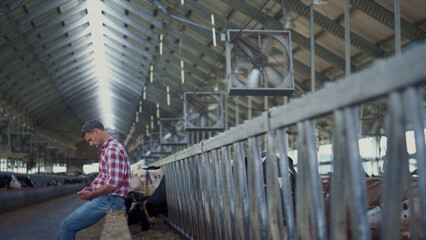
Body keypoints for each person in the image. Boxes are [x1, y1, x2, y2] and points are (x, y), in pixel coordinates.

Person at [57, 120, 131, 240]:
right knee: (67, 225)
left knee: (67, 225)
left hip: (109, 199)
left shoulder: (112, 149)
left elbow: (113, 184)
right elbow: (107, 178)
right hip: (107, 198)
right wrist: (92, 188)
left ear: (96, 131)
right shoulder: (107, 149)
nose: (90, 144)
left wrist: (92, 194)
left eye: (90, 139)